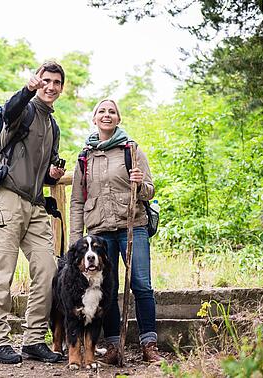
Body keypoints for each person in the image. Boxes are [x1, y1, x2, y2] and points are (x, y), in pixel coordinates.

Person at [68, 99, 164, 365]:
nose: (106, 115)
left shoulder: (130, 149)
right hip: (98, 233)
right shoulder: (85, 156)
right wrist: (76, 239)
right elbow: (77, 200)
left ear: (118, 119)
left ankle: (149, 345)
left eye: (112, 112)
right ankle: (112, 346)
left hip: (132, 225)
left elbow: (149, 189)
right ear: (94, 118)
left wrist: (139, 184)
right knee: (107, 289)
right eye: (102, 111)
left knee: (141, 284)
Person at [0, 61, 66, 364]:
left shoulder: (52, 125)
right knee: (2, 270)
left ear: (61, 87)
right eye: (46, 80)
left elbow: (43, 173)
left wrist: (53, 174)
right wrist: (26, 90)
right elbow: (9, 113)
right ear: (37, 81)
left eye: (56, 82)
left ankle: (33, 339)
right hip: (6, 198)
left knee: (48, 268)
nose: (51, 86)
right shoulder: (26, 109)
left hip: (35, 205)